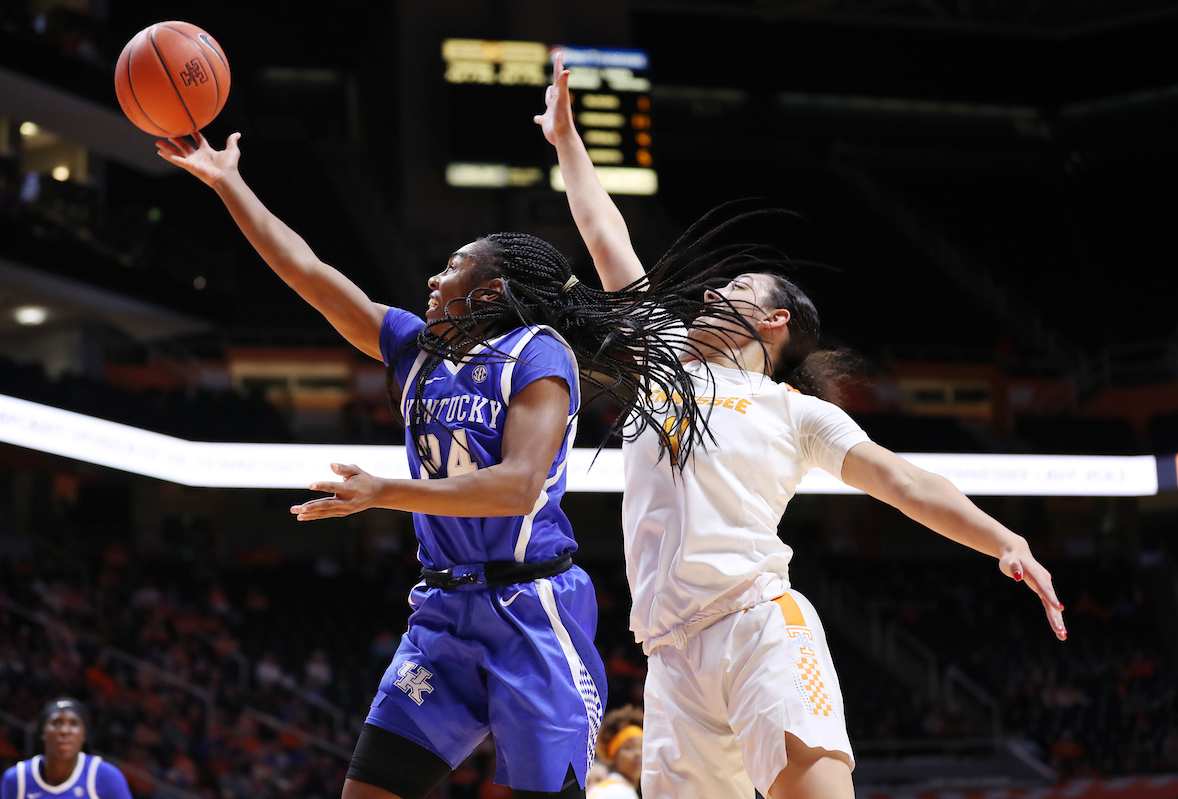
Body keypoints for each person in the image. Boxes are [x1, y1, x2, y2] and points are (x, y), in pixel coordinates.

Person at [535, 52, 1067, 799]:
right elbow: (605, 235)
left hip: (758, 625)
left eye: (735, 287)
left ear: (774, 320)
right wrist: (567, 140)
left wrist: (1005, 540)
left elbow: (904, 481)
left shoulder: (797, 412)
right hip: (669, 658)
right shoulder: (661, 360)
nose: (711, 292)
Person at [156, 132, 695, 799]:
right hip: (443, 613)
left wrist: (384, 490)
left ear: (488, 292)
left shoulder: (538, 352)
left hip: (532, 612)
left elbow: (518, 486)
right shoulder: (414, 351)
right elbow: (308, 273)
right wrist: (227, 183)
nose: (435, 279)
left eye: (451, 267)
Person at [0, 698, 132, 799]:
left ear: (84, 734)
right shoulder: (17, 779)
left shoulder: (106, 777)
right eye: (57, 723)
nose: (65, 731)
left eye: (74, 723)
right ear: (42, 732)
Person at [588, 706, 644, 799]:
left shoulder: (605, 788)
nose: (638, 754)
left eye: (642, 747)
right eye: (629, 748)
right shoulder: (620, 792)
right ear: (613, 756)